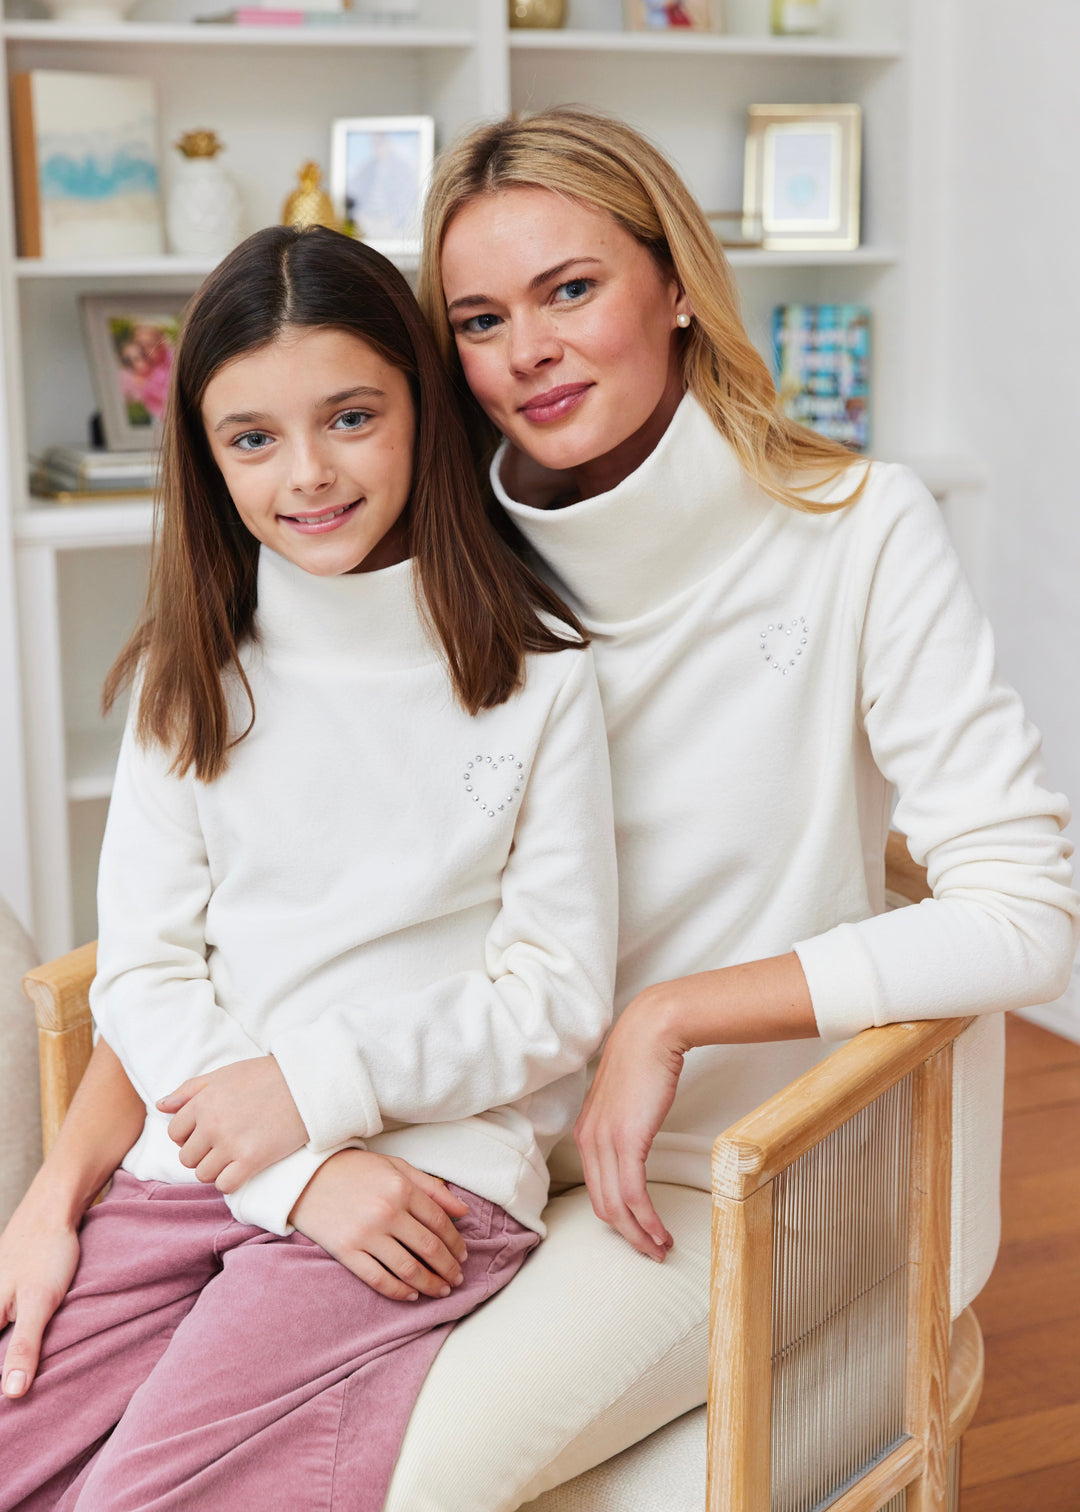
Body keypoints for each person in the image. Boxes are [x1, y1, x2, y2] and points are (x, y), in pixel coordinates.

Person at [3, 107, 1078, 1511]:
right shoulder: (433, 550)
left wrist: (669, 1015)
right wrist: (59, 1191)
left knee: (400, 1479)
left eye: (571, 289)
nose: (530, 351)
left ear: (676, 280)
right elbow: (233, 930)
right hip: (429, 1143)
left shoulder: (857, 530)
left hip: (708, 1169)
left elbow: (1024, 917)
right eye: (480, 319)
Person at [0, 222, 617, 1511]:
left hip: (422, 1183)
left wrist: (317, 1095)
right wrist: (295, 1170)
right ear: (206, 457)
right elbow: (145, 975)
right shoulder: (188, 681)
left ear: (422, 408)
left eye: (351, 417)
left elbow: (556, 998)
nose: (309, 473)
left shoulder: (541, 679)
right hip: (210, 1170)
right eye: (252, 438)